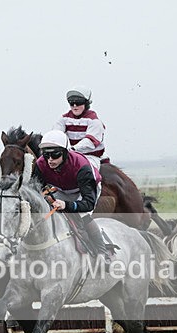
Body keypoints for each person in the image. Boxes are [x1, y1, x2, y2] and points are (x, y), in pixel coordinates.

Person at [33, 130, 112, 264]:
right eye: (46, 155)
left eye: (55, 154)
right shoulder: (41, 164)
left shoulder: (82, 167)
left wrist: (67, 205)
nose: (50, 160)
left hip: (84, 190)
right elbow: (36, 190)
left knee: (82, 215)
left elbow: (88, 204)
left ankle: (102, 253)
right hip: (61, 189)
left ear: (65, 152)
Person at [52, 86, 108, 169]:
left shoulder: (94, 121)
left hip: (91, 156)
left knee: (86, 171)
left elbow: (90, 142)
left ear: (86, 103)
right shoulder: (63, 119)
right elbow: (56, 134)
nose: (74, 105)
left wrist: (72, 149)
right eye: (71, 102)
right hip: (69, 155)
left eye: (78, 102)